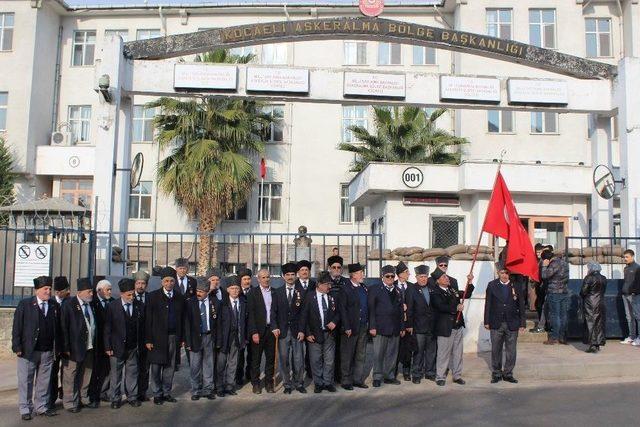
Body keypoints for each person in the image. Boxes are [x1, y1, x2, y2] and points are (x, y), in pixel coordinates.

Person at [12, 276, 60, 420]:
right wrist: (17, 346)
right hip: (28, 350)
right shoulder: (25, 304)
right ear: (37, 290)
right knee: (26, 380)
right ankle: (25, 408)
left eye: (50, 289)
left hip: (47, 351)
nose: (48, 291)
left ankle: (41, 407)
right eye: (45, 289)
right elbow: (17, 327)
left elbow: (57, 328)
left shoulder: (53, 305)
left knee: (44, 381)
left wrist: (56, 347)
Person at [145, 266, 185, 405]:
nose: (169, 284)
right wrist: (148, 339)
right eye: (166, 281)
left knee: (170, 366)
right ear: (162, 281)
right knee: (156, 366)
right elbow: (148, 319)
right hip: (156, 338)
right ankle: (157, 393)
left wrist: (182, 338)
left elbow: (182, 319)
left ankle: (166, 392)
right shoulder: (152, 296)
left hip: (173, 337)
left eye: (172, 281)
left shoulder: (179, 297)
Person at [104, 278, 144, 408]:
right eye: (128, 294)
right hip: (116, 347)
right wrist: (108, 346)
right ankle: (115, 398)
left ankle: (132, 396)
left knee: (132, 372)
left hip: (132, 347)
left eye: (132, 294)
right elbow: (107, 328)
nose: (132, 297)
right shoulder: (112, 306)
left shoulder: (139, 305)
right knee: (116, 374)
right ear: (121, 294)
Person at [431, 266, 474, 387]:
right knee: (443, 354)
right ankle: (440, 376)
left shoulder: (452, 290)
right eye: (444, 277)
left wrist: (469, 282)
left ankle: (457, 375)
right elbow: (440, 306)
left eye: (446, 276)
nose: (447, 278)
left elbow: (466, 294)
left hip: (457, 326)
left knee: (457, 353)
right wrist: (455, 308)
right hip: (445, 327)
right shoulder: (435, 292)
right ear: (438, 280)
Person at [298, 271, 339, 393]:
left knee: (329, 360)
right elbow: (304, 316)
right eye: (327, 284)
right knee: (315, 360)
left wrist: (334, 322)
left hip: (329, 334)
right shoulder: (310, 297)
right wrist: (307, 333)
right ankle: (318, 383)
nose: (329, 287)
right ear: (319, 284)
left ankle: (328, 382)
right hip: (314, 334)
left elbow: (338, 312)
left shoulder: (332, 296)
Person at [484, 267, 526, 384]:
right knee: (496, 349)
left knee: (511, 350)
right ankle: (496, 372)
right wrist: (486, 321)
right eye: (502, 273)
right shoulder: (492, 285)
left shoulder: (516, 285)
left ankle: (508, 373)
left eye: (507, 273)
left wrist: (522, 322)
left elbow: (521, 304)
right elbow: (488, 303)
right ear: (498, 273)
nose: (504, 275)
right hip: (496, 322)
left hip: (512, 322)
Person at [61, 277, 97, 412]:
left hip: (89, 347)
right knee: (71, 376)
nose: (91, 294)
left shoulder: (90, 304)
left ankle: (83, 398)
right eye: (89, 291)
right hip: (74, 348)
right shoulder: (69, 305)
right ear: (80, 292)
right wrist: (65, 347)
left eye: (92, 291)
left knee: (86, 374)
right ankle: (70, 402)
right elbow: (63, 328)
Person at [271, 262, 306, 394]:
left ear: (296, 275)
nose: (290, 277)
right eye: (288, 275)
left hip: (297, 331)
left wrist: (302, 330)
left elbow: (304, 313)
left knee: (298, 359)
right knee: (284, 358)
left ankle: (299, 383)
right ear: (283, 276)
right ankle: (287, 384)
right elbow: (273, 312)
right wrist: (274, 327)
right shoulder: (277, 292)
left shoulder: (301, 292)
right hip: (283, 332)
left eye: (292, 274)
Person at [369, 265, 404, 388]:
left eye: (392, 276)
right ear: (382, 277)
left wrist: (402, 327)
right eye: (387, 276)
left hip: (394, 328)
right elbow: (371, 309)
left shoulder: (398, 291)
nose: (390, 278)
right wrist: (372, 326)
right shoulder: (375, 289)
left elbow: (400, 311)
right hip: (379, 327)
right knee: (378, 353)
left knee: (392, 353)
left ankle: (389, 376)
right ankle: (377, 376)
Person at [184, 277, 218, 401]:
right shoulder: (190, 303)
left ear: (207, 291)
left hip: (209, 337)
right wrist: (187, 341)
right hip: (195, 338)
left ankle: (208, 389)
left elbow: (217, 322)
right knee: (195, 365)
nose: (198, 293)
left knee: (208, 364)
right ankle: (195, 390)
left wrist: (216, 339)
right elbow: (186, 324)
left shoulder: (214, 302)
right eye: (197, 290)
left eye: (202, 291)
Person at [337, 262, 369, 391]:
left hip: (362, 326)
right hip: (350, 327)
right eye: (361, 273)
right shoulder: (345, 289)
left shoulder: (363, 288)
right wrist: (346, 326)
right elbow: (342, 309)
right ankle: (346, 380)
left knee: (360, 354)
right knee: (347, 355)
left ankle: (357, 379)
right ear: (354, 275)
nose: (363, 275)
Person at [217, 276, 248, 397]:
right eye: (232, 288)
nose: (235, 291)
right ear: (227, 290)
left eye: (237, 288)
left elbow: (245, 321)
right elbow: (218, 324)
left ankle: (230, 385)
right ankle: (219, 386)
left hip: (237, 337)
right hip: (225, 338)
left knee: (233, 362)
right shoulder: (222, 304)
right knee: (221, 363)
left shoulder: (243, 302)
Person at [405, 265, 437, 384]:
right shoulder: (411, 289)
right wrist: (409, 325)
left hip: (431, 327)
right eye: (421, 277)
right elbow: (410, 310)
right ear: (416, 277)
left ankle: (429, 372)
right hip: (418, 326)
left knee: (431, 351)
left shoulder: (432, 287)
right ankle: (416, 374)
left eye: (425, 276)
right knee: (418, 352)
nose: (423, 279)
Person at [247, 268, 277, 394]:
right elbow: (251, 314)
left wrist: (276, 327)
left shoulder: (275, 292)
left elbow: (277, 312)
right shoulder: (252, 293)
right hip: (258, 331)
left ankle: (269, 382)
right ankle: (256, 383)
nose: (266, 279)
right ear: (258, 279)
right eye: (263, 277)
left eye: (267, 277)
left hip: (271, 330)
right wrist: (254, 332)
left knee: (270, 359)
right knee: (256, 360)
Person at [90, 279, 114, 404]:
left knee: (107, 369)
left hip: (109, 343)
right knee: (95, 370)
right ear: (99, 291)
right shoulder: (92, 303)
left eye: (110, 289)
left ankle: (103, 392)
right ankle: (93, 394)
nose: (110, 292)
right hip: (97, 343)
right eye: (107, 290)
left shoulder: (113, 302)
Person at [48, 276, 70, 410]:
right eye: (62, 291)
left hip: (67, 344)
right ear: (57, 292)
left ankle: (65, 394)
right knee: (53, 371)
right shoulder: (50, 303)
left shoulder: (70, 301)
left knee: (66, 371)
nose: (65, 293)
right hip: (55, 344)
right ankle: (51, 398)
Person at [541, 249, 570, 345]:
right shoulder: (565, 263)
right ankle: (562, 337)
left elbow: (545, 275)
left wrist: (544, 266)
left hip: (554, 292)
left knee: (555, 315)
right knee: (563, 315)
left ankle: (554, 337)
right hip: (564, 291)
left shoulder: (553, 264)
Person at [580, 261, 607, 353]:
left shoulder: (589, 278)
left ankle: (592, 344)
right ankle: (598, 343)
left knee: (590, 322)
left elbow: (583, 292)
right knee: (599, 323)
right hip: (600, 302)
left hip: (590, 303)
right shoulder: (604, 278)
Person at [295, 260, 315, 379]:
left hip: (312, 323)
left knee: (311, 350)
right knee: (297, 352)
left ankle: (310, 371)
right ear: (298, 272)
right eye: (302, 270)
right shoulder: (294, 285)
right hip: (297, 323)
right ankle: (297, 372)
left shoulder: (314, 285)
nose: (304, 272)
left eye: (306, 270)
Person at [132, 271, 150, 401]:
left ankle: (142, 392)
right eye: (138, 283)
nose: (140, 286)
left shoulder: (151, 298)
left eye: (143, 283)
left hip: (146, 339)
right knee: (132, 368)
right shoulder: (129, 297)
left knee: (144, 368)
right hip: (133, 339)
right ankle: (132, 393)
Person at [394, 261, 413, 381]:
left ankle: (406, 371)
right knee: (395, 348)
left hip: (408, 323)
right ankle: (393, 371)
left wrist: (410, 323)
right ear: (400, 274)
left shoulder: (411, 287)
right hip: (396, 323)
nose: (409, 274)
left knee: (407, 348)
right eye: (406, 272)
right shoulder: (393, 285)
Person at [235, 268, 253, 386]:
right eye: (244, 279)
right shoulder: (236, 292)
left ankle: (250, 374)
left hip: (252, 328)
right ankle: (239, 376)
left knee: (252, 354)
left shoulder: (255, 292)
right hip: (240, 329)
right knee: (239, 355)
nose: (247, 281)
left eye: (248, 279)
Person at [621, 249, 640, 345]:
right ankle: (631, 336)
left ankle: (639, 338)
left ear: (632, 256)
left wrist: (634, 292)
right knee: (629, 317)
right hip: (625, 295)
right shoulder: (626, 268)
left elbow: (638, 282)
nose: (625, 259)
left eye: (627, 257)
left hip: (634, 296)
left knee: (638, 316)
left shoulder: (637, 268)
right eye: (624, 257)